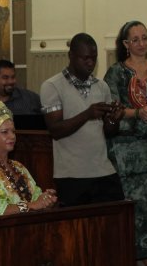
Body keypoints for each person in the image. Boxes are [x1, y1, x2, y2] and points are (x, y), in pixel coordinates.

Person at [105, 21, 147, 266]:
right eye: (135, 39)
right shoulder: (116, 72)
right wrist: (136, 113)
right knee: (128, 200)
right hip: (124, 148)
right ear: (125, 44)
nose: (141, 43)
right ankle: (129, 254)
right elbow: (112, 108)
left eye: (145, 38)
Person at [40, 33, 124, 207]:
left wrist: (114, 120)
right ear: (71, 56)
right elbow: (55, 130)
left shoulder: (101, 86)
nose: (90, 63)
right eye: (85, 58)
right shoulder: (52, 86)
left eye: (94, 58)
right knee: (77, 231)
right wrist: (87, 114)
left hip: (102, 170)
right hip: (71, 175)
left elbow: (109, 132)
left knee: (114, 224)